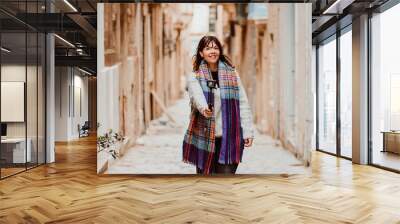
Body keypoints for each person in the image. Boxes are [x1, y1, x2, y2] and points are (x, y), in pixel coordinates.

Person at [182, 35, 255, 175]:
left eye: (216, 48)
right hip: (204, 137)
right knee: (207, 183)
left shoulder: (232, 74)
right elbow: (196, 96)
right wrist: (204, 109)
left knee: (226, 181)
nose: (212, 51)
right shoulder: (195, 76)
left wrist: (248, 132)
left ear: (220, 51)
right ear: (201, 53)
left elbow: (243, 103)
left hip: (230, 138)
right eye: (208, 48)